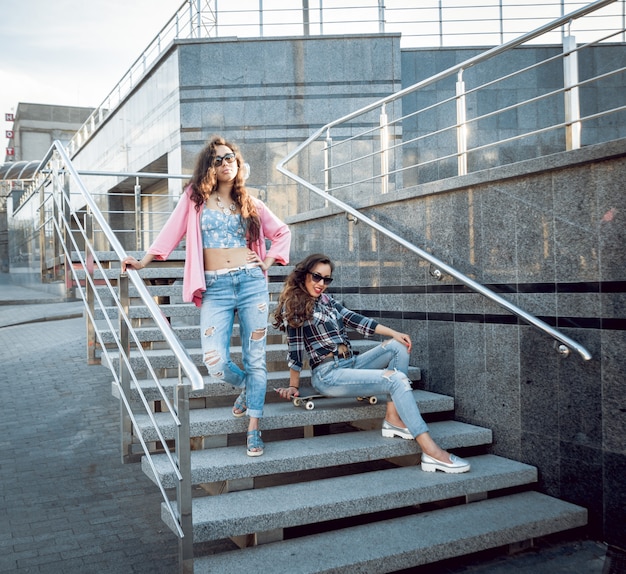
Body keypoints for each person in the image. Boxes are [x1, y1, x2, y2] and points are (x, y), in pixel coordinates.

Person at [123, 136, 291, 457]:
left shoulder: (250, 202)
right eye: (218, 159)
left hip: (252, 282)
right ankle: (246, 386)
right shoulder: (195, 199)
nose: (226, 163)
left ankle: (254, 429)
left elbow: (282, 232)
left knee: (256, 358)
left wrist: (268, 261)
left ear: (238, 163)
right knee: (214, 361)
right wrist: (143, 261)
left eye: (230, 158)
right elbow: (170, 231)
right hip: (216, 286)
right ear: (208, 167)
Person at [272, 253, 470, 473]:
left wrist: (395, 333)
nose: (321, 284)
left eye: (327, 280)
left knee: (398, 346)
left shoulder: (327, 301)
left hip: (351, 362)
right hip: (329, 374)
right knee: (395, 380)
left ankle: (393, 418)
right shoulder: (294, 306)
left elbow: (357, 320)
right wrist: (293, 385)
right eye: (317, 277)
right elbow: (295, 351)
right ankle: (431, 451)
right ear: (304, 274)